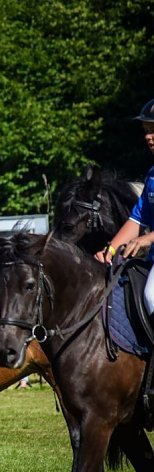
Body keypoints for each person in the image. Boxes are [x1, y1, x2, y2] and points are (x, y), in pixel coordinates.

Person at [95, 98, 154, 314]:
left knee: (152, 295)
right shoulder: (152, 175)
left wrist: (147, 239)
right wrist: (110, 249)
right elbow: (138, 220)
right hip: (152, 260)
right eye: (146, 130)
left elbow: (144, 233)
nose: (148, 136)